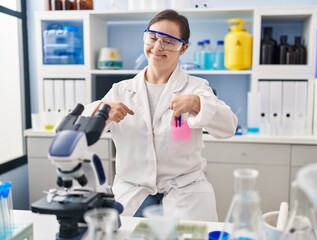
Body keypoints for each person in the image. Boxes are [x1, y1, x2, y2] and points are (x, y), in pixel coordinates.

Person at [85, 9, 237, 221]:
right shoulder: (121, 90)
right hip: (134, 189)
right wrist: (102, 111)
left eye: (168, 41)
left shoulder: (196, 87)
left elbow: (229, 126)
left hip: (185, 189)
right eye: (153, 38)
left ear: (183, 48)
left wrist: (198, 103)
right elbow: (79, 129)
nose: (157, 47)